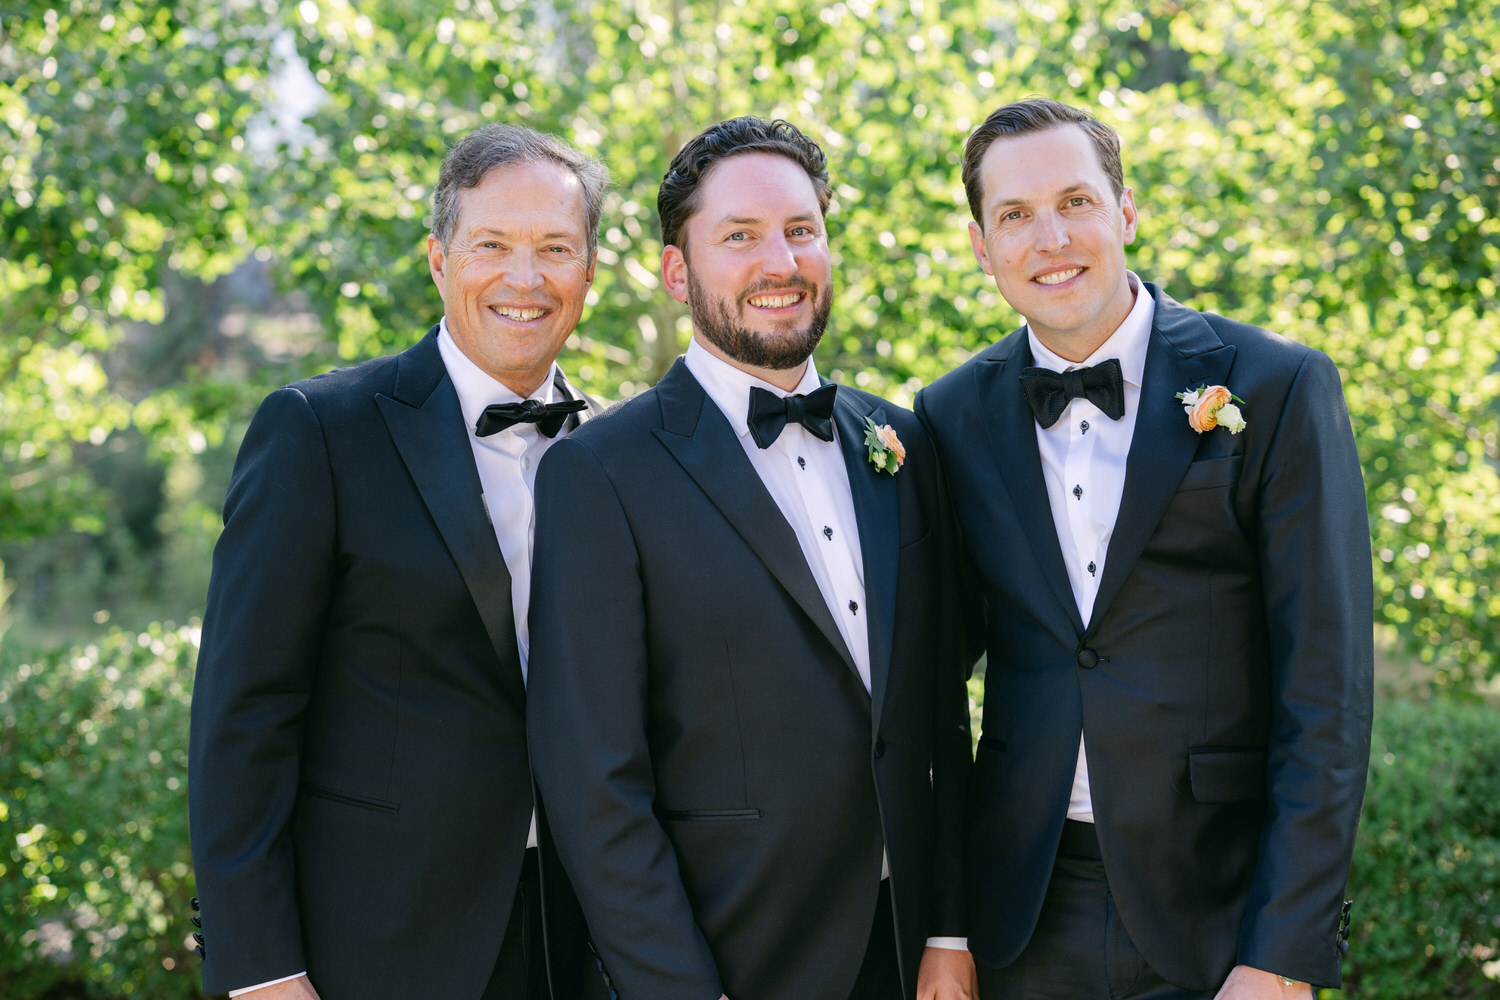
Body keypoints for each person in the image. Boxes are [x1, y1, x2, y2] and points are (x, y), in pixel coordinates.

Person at [915, 97, 1373, 999]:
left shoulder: (1275, 385)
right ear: (981, 246)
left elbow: (1329, 691)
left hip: (1220, 909)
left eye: (1076, 202)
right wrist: (945, 920)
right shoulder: (950, 414)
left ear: (1125, 213)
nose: (1050, 238)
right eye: (1014, 215)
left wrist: (1283, 950)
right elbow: (927, 687)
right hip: (1021, 918)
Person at [526, 116, 976, 1000]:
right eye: (740, 236)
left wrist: (949, 928)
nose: (782, 262)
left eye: (801, 230)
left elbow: (938, 715)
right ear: (676, 271)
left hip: (908, 956)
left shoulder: (901, 443)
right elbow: (593, 782)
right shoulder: (600, 473)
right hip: (731, 958)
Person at [188, 123, 612, 1000]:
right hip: (376, 945)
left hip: (587, 940)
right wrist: (261, 968)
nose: (525, 279)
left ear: (590, 272)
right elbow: (243, 716)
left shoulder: (626, 450)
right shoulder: (319, 431)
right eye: (491, 244)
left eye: (555, 249)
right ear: (437, 260)